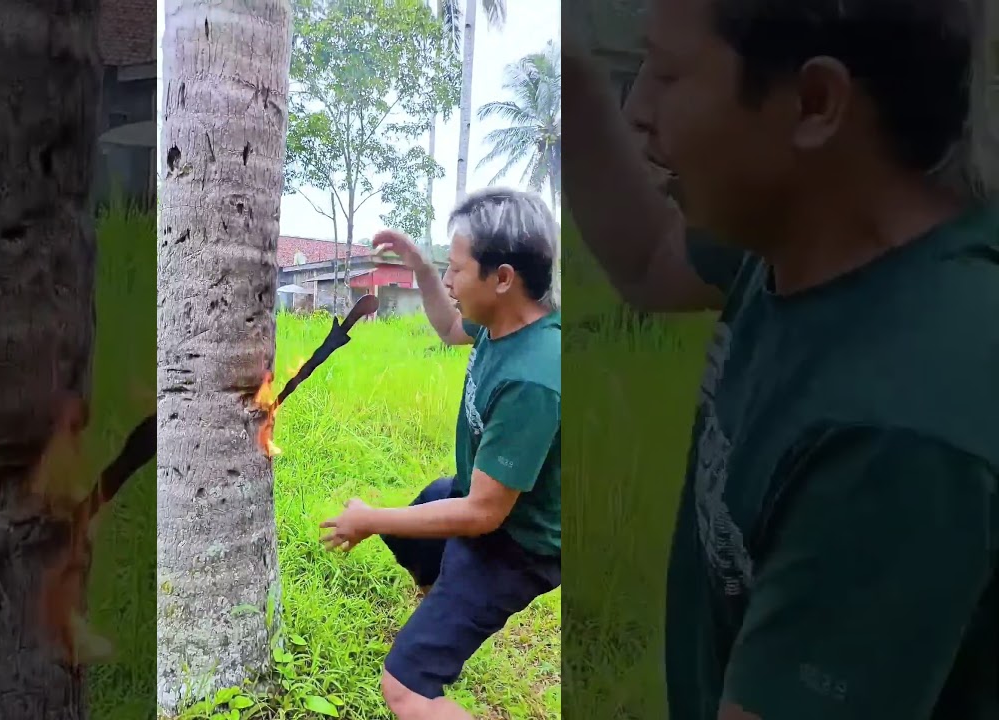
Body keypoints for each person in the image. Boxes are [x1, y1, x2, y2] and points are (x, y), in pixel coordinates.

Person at [566, 0, 999, 718]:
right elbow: (649, 260)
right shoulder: (810, 230)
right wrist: (574, 86)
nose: (638, 107)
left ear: (815, 102)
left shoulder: (901, 432)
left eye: (669, 74)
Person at [319, 188, 562, 720]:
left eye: (455, 270)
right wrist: (419, 267)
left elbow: (482, 513)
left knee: (404, 689)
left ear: (502, 278)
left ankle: (436, 640)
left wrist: (367, 518)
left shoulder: (536, 376)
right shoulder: (501, 324)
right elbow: (450, 328)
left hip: (517, 547)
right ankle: (441, 608)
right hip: (476, 501)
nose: (448, 280)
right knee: (413, 531)